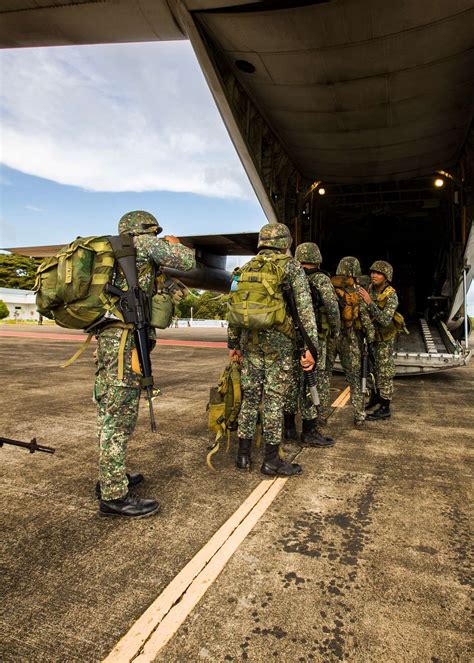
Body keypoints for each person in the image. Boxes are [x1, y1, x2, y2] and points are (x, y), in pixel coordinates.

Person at [95, 211, 195, 518]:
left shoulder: (111, 252)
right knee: (120, 416)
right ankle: (113, 497)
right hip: (126, 344)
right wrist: (175, 244)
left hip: (110, 339)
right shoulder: (143, 244)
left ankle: (111, 477)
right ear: (146, 230)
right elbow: (187, 262)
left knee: (109, 409)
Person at [227, 223, 318, 476]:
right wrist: (312, 349)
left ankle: (243, 456)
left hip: (249, 343)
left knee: (250, 399)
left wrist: (233, 345)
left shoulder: (244, 269)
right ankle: (271, 460)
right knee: (273, 401)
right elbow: (305, 311)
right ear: (286, 243)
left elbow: (233, 309)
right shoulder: (291, 267)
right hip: (279, 344)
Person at [284, 242, 340, 446]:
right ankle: (309, 430)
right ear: (317, 258)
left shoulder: (289, 275)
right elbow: (332, 309)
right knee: (311, 379)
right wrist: (335, 330)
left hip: (290, 337)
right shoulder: (321, 279)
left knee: (290, 381)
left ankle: (288, 428)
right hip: (314, 338)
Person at [332, 257, 375, 426]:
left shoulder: (330, 287)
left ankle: (318, 417)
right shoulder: (359, 292)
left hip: (331, 337)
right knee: (355, 378)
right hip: (350, 338)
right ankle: (359, 413)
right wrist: (370, 338)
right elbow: (364, 319)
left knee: (323, 375)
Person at [358, 260, 398, 421]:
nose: (373, 275)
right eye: (372, 272)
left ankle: (385, 407)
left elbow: (385, 320)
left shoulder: (391, 295)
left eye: (378, 273)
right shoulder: (370, 289)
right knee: (370, 369)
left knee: (384, 372)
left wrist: (369, 302)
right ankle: (374, 398)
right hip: (370, 337)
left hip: (383, 339)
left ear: (386, 276)